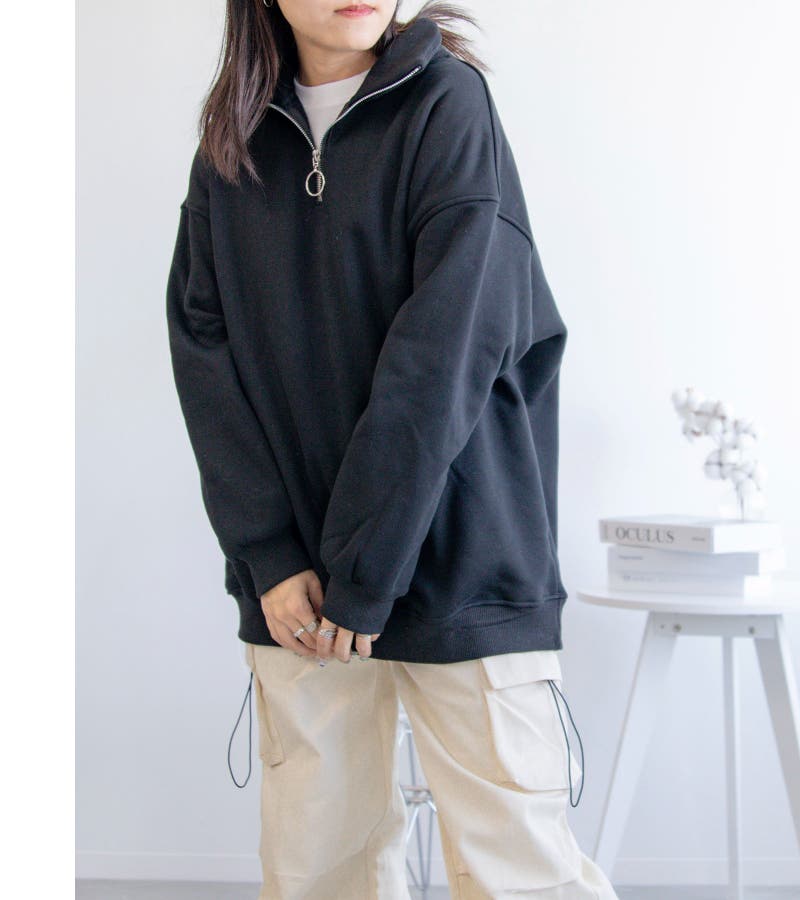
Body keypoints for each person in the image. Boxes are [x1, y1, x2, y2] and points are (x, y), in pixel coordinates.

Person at [166, 1, 620, 897]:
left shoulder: (448, 103)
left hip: (463, 560)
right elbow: (202, 351)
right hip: (300, 591)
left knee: (517, 870)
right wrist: (268, 554)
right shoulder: (231, 141)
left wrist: (365, 569)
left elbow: (444, 351)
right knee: (319, 872)